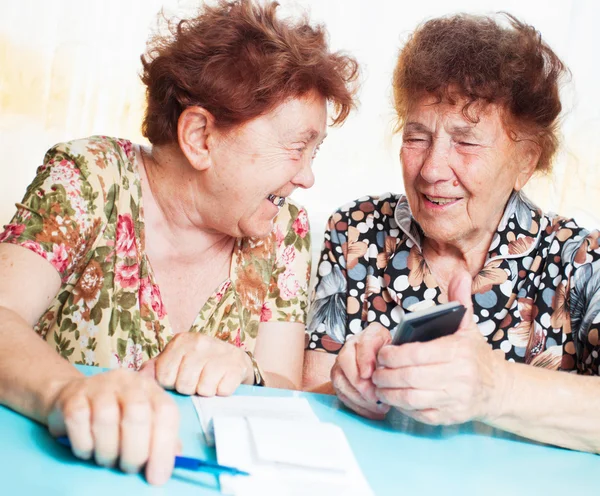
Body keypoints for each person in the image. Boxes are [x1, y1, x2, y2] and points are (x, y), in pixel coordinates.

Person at [0, 0, 358, 484]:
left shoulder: (283, 230)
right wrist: (68, 394)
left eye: (315, 152)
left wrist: (246, 370)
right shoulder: (89, 178)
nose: (308, 177)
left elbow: (281, 385)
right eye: (297, 148)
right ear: (199, 136)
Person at [304, 13, 600, 454]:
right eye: (417, 137)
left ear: (526, 160)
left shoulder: (580, 260)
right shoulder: (357, 231)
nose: (431, 170)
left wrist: (494, 389)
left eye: (465, 142)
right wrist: (351, 386)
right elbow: (310, 401)